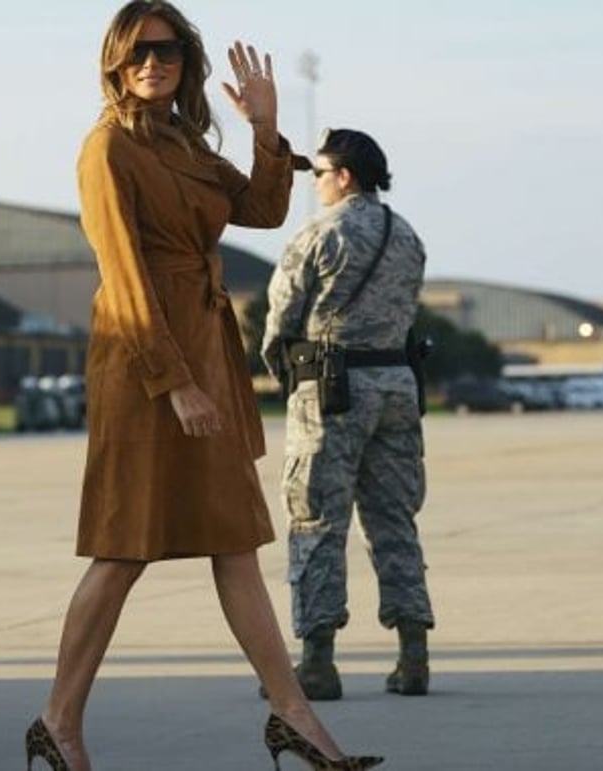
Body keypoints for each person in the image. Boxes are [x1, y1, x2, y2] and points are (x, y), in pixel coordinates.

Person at [25, 3, 382, 770]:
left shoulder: (182, 141)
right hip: (144, 365)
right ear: (114, 64)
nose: (151, 63)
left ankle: (294, 717)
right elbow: (122, 276)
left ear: (185, 63)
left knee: (235, 540)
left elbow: (258, 206)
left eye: (166, 52)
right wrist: (174, 382)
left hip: (204, 352)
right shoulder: (107, 149)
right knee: (123, 548)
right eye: (136, 53)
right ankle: (58, 723)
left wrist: (264, 124)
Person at [260, 128, 435, 704]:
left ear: (345, 176)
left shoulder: (320, 233)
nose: (316, 184)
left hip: (332, 389)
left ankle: (317, 662)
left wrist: (288, 377)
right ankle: (413, 656)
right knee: (393, 520)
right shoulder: (407, 236)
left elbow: (281, 322)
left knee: (315, 521)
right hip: (398, 389)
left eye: (320, 173)